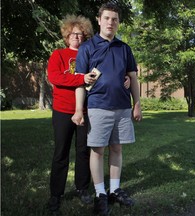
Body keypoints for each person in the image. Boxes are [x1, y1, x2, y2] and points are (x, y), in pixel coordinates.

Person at [47, 14, 130, 214]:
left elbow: (111, 70)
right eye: (73, 34)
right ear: (67, 36)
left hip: (88, 109)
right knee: (61, 153)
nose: (77, 37)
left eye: (81, 34)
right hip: (63, 110)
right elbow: (55, 77)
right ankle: (55, 194)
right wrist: (80, 79)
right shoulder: (59, 55)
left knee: (84, 151)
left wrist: (124, 78)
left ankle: (82, 188)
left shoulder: (90, 51)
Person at [71, 2, 142, 215]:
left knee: (117, 148)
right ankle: (100, 193)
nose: (111, 22)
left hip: (121, 107)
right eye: (107, 18)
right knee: (98, 150)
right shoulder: (87, 48)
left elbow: (133, 78)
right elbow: (81, 82)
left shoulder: (124, 48)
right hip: (98, 107)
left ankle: (115, 190)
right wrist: (78, 109)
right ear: (99, 20)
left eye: (115, 19)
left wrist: (137, 104)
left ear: (118, 23)